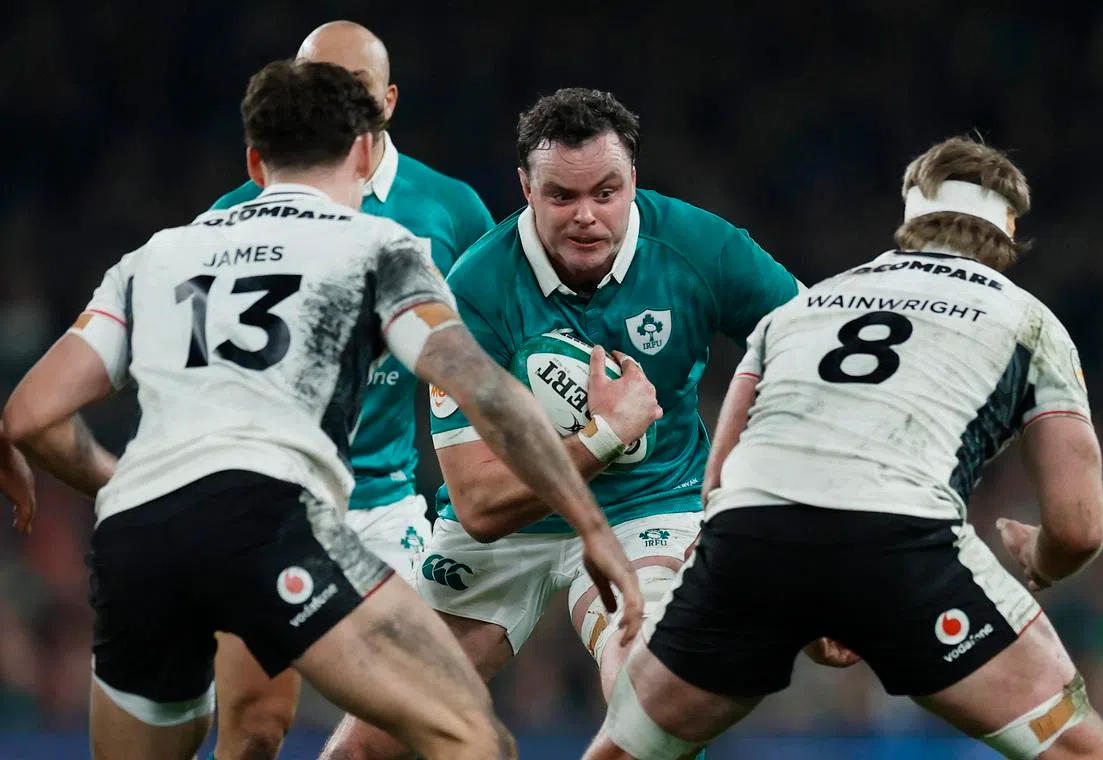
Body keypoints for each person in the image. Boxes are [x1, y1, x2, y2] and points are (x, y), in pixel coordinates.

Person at [0, 60, 642, 760]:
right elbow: (482, 389)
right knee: (471, 737)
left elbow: (29, 416)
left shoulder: (157, 256)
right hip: (266, 516)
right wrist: (590, 525)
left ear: (254, 160)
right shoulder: (375, 249)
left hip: (135, 541)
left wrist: (125, 483)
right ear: (365, 154)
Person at [581, 136, 1103, 760]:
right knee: (1079, 751)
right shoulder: (1028, 321)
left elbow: (721, 480)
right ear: (1009, 233)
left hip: (748, 545)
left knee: (625, 751)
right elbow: (1079, 527)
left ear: (910, 221)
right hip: (902, 542)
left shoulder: (801, 308)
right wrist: (1043, 561)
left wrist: (808, 598)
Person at [320, 87, 800, 760]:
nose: (586, 217)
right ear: (526, 188)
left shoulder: (701, 247)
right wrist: (604, 436)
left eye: (606, 193)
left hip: (648, 507)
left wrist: (758, 486)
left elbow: (813, 348)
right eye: (561, 196)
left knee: (648, 687)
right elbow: (479, 506)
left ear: (633, 180)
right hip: (511, 528)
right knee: (364, 751)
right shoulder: (473, 289)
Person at [208, 20, 495, 759]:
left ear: (389, 101)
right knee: (255, 731)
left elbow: (491, 353)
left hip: (384, 511)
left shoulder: (450, 210)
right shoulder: (230, 217)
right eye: (318, 84)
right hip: (267, 510)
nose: (335, 101)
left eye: (356, 87)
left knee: (424, 724)